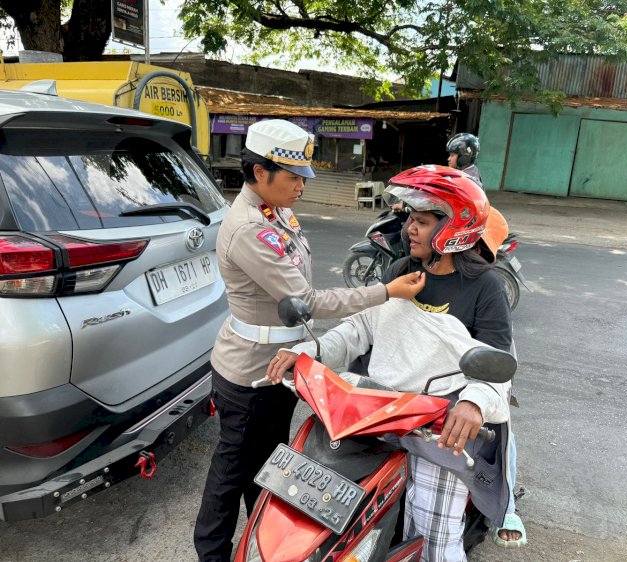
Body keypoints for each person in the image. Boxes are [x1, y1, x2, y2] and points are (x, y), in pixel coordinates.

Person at [193, 119, 426, 562]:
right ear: (260, 173)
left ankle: (261, 544)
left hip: (278, 367)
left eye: (303, 176)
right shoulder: (248, 229)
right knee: (231, 470)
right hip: (249, 376)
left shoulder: (274, 211)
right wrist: (385, 292)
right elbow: (307, 298)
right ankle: (211, 553)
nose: (301, 185)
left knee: (265, 465)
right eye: (293, 176)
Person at [271, 165, 513, 562]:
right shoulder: (402, 271)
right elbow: (359, 329)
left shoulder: (485, 287)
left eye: (421, 222)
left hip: (440, 425)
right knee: (330, 503)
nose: (409, 230)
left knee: (436, 536)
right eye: (410, 221)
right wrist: (307, 352)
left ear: (452, 228)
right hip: (379, 412)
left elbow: (498, 360)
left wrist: (473, 403)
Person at [446, 138, 527, 549]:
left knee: (500, 422)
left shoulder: (486, 281)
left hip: (484, 359)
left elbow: (495, 346)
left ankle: (506, 502)